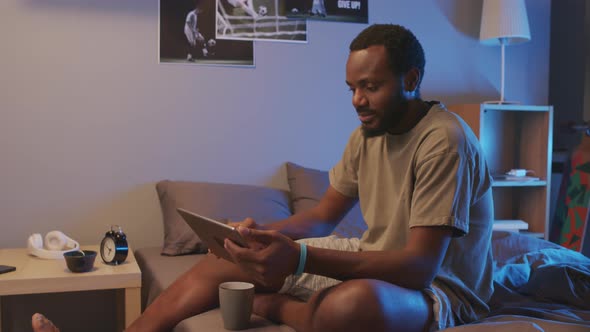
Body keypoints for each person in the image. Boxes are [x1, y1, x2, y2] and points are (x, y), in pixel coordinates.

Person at [32, 24, 494, 332]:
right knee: (223, 258)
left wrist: (296, 262)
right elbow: (320, 219)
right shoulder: (367, 135)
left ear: (411, 77)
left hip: (440, 290)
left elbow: (419, 267)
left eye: (371, 87)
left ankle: (271, 305)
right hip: (379, 259)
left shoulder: (444, 139)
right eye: (352, 88)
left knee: (350, 307)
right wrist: (258, 234)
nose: (357, 100)